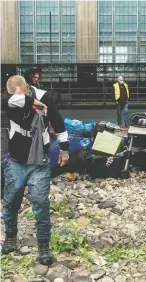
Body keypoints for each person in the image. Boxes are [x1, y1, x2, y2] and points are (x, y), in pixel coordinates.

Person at [1, 75, 69, 265]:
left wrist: (65, 149)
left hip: (39, 160)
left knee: (40, 203)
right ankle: (11, 237)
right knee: (10, 201)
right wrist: (31, 102)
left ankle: (43, 245)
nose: (17, 100)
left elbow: (59, 123)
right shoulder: (8, 99)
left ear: (29, 87)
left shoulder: (46, 99)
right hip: (16, 160)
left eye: (22, 95)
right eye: (14, 97)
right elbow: (6, 99)